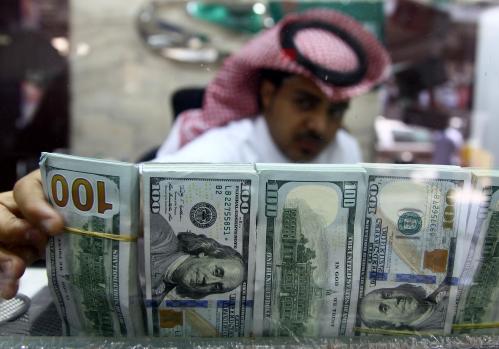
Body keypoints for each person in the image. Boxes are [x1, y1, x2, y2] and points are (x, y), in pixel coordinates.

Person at [0, 8, 390, 299]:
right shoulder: (217, 150)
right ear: (269, 94)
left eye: (335, 111)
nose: (320, 126)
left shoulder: (344, 149)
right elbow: (126, 209)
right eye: (305, 103)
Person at [150, 214, 244, 302]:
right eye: (217, 272)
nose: (207, 281)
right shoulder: (160, 234)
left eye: (217, 286)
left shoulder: (157, 300)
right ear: (205, 254)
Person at [358, 283, 450, 331]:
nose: (394, 300)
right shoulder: (435, 334)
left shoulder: (444, 286)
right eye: (385, 308)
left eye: (387, 294)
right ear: (393, 324)